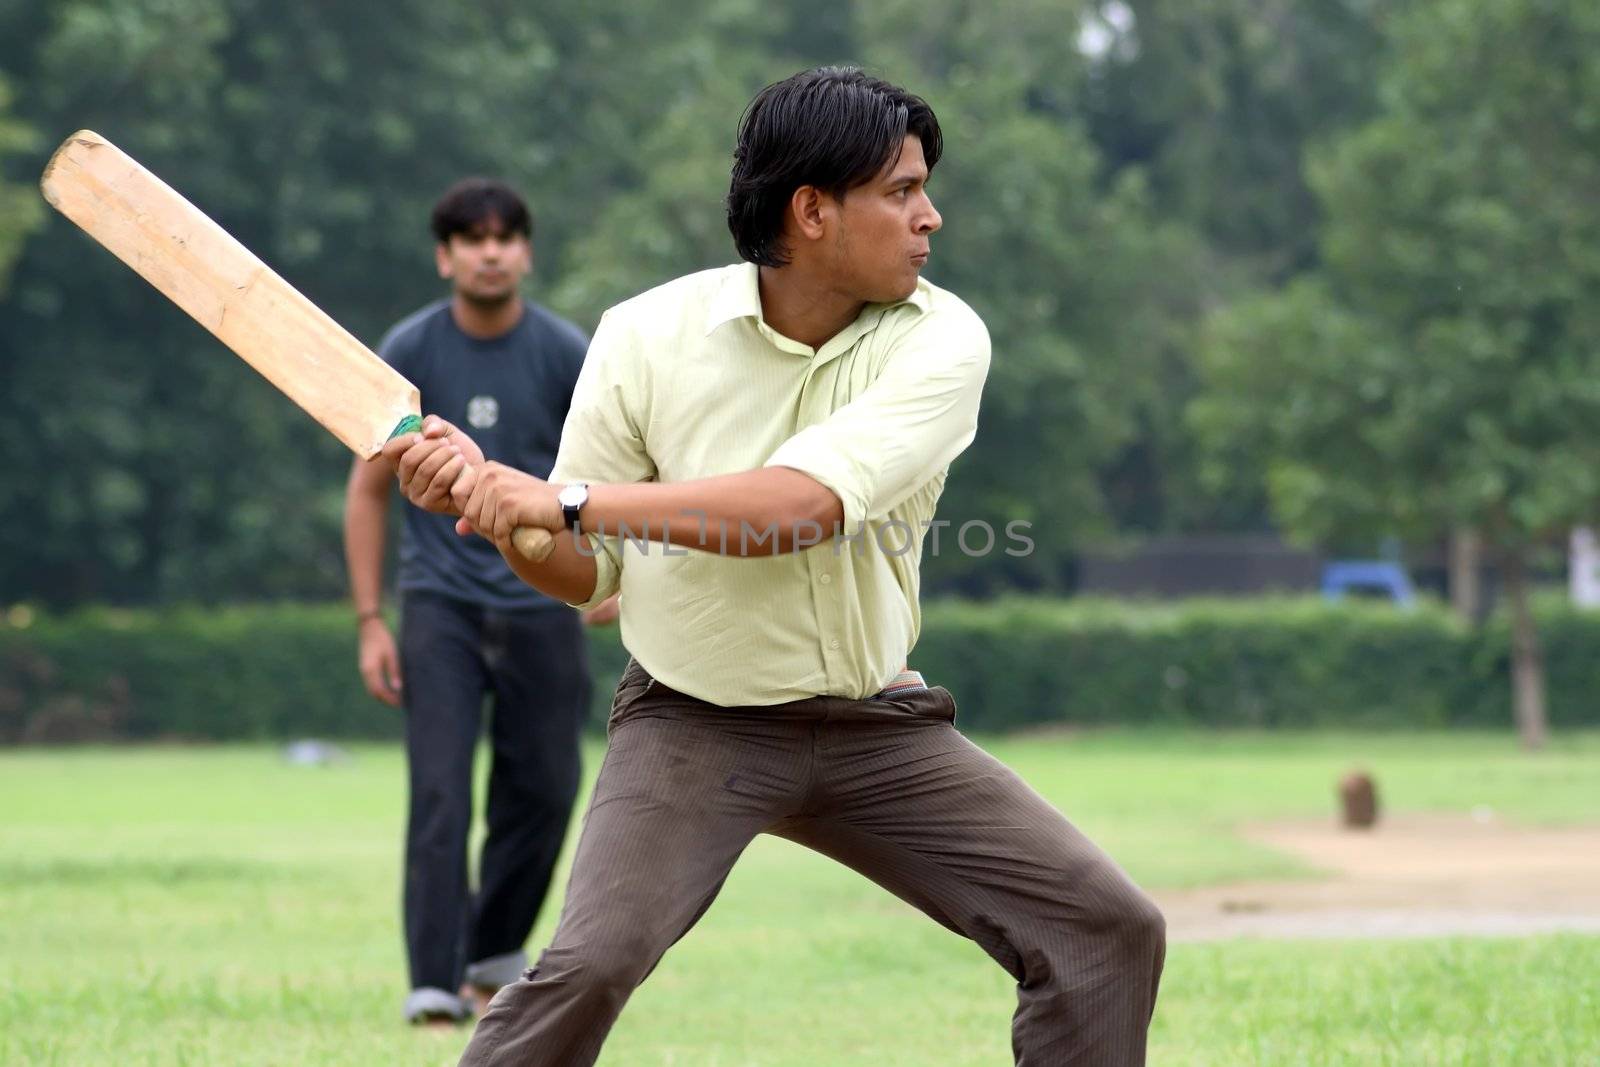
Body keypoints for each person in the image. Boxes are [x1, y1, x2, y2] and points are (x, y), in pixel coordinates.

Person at [385, 68, 1165, 1065]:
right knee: (588, 963)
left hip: (876, 725)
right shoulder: (644, 336)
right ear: (811, 211)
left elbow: (798, 508)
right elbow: (585, 572)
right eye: (900, 190)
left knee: (1106, 928)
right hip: (691, 716)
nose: (930, 217)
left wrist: (563, 496)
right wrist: (494, 510)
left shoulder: (940, 339)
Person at [343, 178, 615, 1026]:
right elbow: (368, 491)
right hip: (440, 606)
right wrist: (369, 620)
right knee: (440, 792)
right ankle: (433, 982)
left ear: (526, 251)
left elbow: (607, 475)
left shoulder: (567, 351)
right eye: (471, 237)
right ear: (446, 255)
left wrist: (610, 579)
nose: (490, 250)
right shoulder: (412, 349)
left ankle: (491, 952)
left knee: (544, 785)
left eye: (505, 236)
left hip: (542, 601)